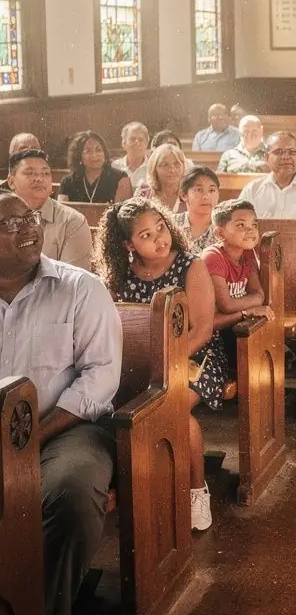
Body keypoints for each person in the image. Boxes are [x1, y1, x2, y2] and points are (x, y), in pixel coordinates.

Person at [0, 192, 123, 615]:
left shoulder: (79, 288)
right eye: (8, 223)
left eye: (29, 217)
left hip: (66, 428)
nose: (27, 227)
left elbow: (100, 377)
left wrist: (33, 439)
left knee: (70, 496)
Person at [95, 201, 231, 534]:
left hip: (195, 357)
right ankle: (137, 489)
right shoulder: (119, 274)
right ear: (128, 245)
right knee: (119, 409)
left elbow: (201, 329)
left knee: (171, 411)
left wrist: (163, 362)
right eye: (146, 235)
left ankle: (196, 490)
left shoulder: (189, 265)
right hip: (140, 362)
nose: (160, 238)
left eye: (161, 227)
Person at [7, 149, 92, 270]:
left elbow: (73, 282)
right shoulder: (3, 216)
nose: (39, 178)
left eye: (45, 173)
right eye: (30, 173)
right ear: (11, 182)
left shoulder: (72, 221)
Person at [202, 200, 273, 334]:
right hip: (212, 333)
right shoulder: (212, 257)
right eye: (241, 225)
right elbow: (227, 305)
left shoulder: (247, 252)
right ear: (220, 234)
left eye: (254, 224)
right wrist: (248, 310)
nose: (251, 230)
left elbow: (259, 296)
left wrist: (245, 307)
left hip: (235, 325)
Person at [238, 132, 296, 219]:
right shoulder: (252, 190)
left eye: (292, 152)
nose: (286, 157)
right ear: (266, 158)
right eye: (279, 152)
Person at [58, 131, 132, 205]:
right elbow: (62, 212)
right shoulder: (68, 181)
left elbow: (122, 213)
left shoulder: (120, 178)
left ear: (104, 153)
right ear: (78, 156)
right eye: (88, 151)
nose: (94, 155)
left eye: (98, 150)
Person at [135, 143, 187, 214]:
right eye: (165, 165)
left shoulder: (191, 194)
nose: (172, 170)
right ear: (154, 168)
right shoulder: (143, 194)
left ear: (183, 167)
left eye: (176, 164)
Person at [179, 166, 220, 255]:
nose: (206, 196)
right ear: (184, 195)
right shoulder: (172, 224)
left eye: (212, 190)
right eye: (199, 190)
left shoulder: (224, 228)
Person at [113, 121, 150, 188]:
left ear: (146, 144)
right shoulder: (114, 167)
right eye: (132, 139)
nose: (137, 142)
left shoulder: (153, 168)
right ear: (124, 143)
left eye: (141, 139)